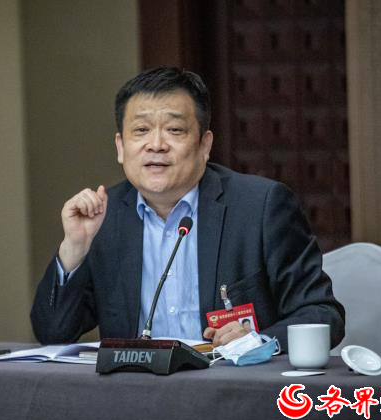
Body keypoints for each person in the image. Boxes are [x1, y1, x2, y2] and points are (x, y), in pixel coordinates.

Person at [31, 67, 345, 351]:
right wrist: (74, 249)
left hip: (229, 385)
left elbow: (322, 314)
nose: (156, 144)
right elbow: (53, 333)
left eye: (175, 130)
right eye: (141, 131)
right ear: (120, 147)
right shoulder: (104, 218)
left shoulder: (260, 207)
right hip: (133, 388)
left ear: (205, 145)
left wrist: (258, 340)